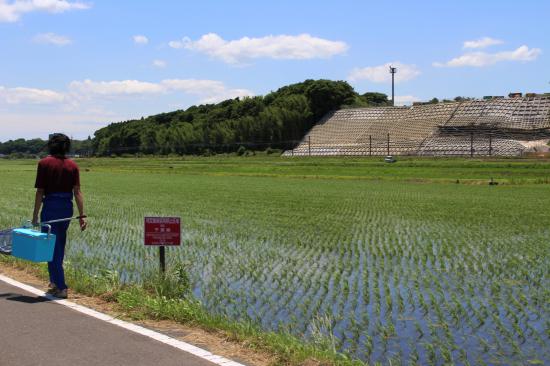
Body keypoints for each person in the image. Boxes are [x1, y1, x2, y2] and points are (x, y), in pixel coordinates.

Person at [32, 133, 87, 299]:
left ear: (51, 145)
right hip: (66, 208)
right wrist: (82, 215)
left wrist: (35, 215)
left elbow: (40, 192)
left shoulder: (44, 163)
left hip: (51, 208)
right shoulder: (72, 165)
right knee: (58, 245)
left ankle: (61, 286)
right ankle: (54, 283)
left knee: (50, 247)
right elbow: (77, 191)